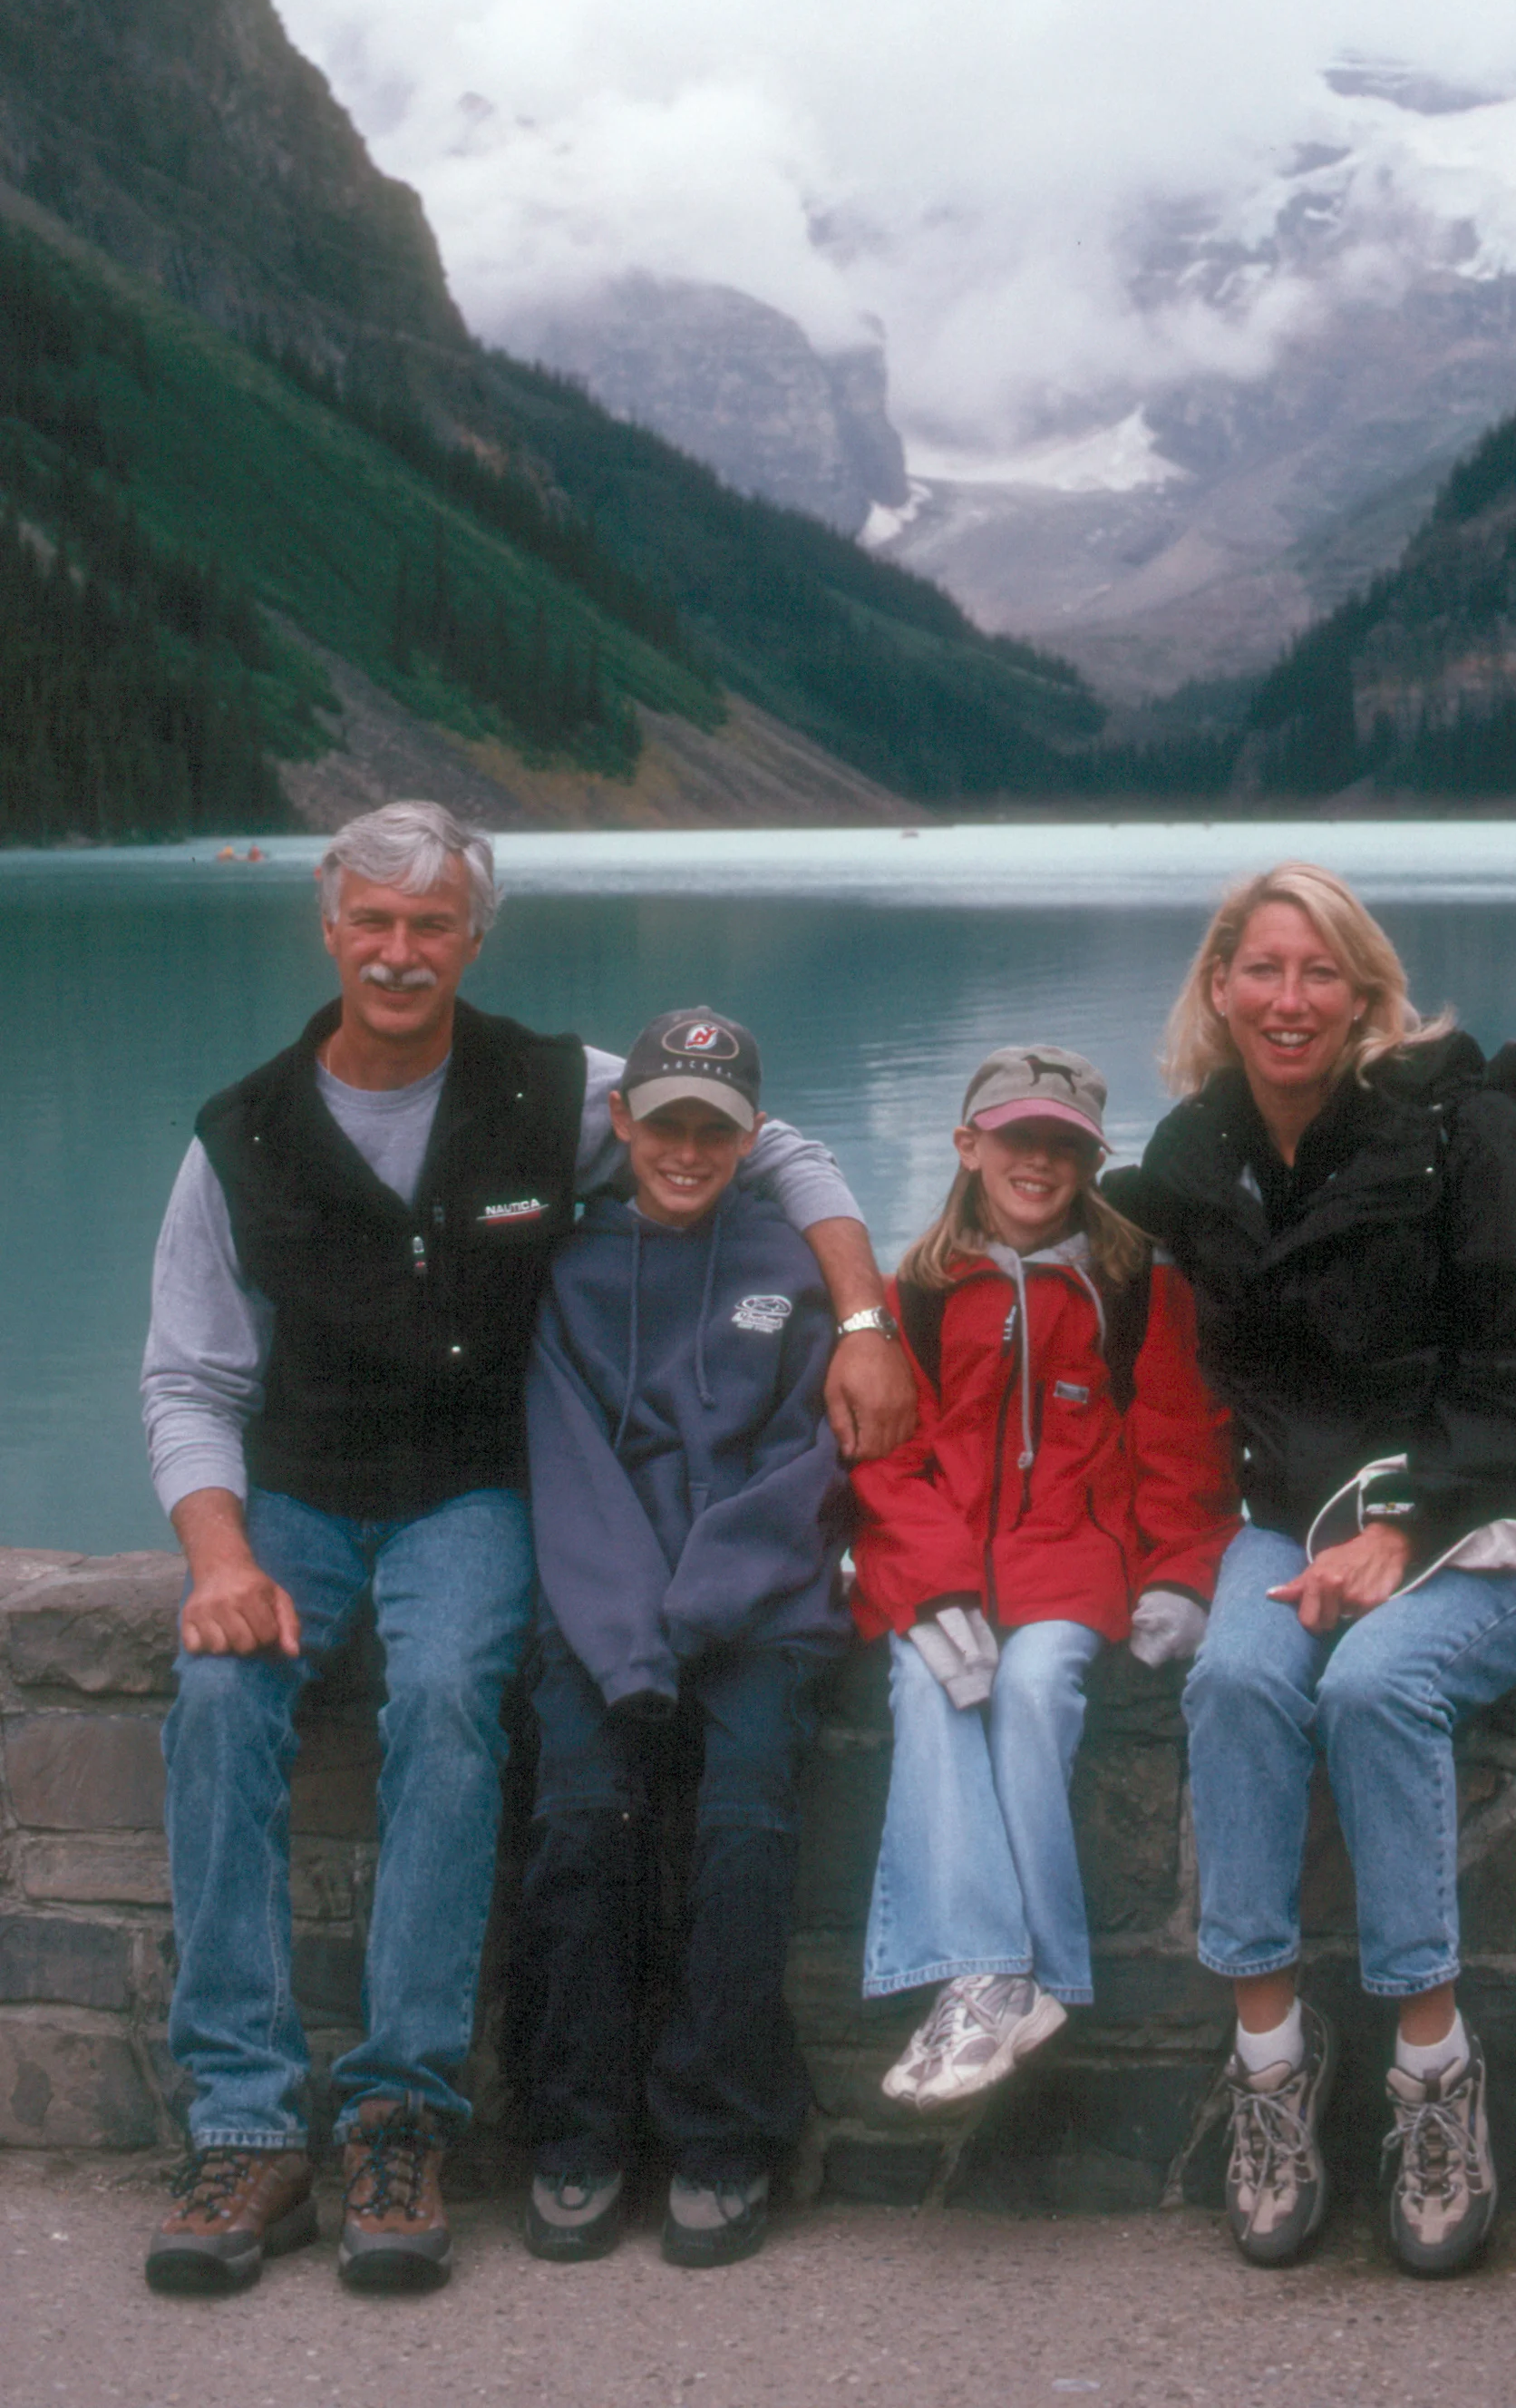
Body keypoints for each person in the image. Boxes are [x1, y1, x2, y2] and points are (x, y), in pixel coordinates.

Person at [141, 803, 913, 2296]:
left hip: (470, 1495)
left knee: (446, 1700)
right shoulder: (237, 1134)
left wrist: (866, 1320)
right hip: (293, 1494)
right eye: (373, 919)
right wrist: (219, 1556)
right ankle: (244, 2127)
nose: (400, 951)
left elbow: (779, 1143)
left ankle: (398, 2114)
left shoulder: (559, 1088)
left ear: (474, 941)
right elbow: (189, 1381)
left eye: (432, 926)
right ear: (329, 928)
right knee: (219, 1702)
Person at [1103, 863, 1516, 2276]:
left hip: (1505, 1514)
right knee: (1240, 1678)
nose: (1290, 999)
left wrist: (1413, 1527)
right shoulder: (1199, 1154)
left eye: (1322, 972)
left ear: (1366, 996)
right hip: (1303, 1518)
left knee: (1381, 1686)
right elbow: (1170, 1375)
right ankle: (1269, 2067)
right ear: (1218, 989)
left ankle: (1432, 2076)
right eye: (1261, 969)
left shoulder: (1467, 1135)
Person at [514, 1008, 849, 2269]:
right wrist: (634, 1639)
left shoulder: (799, 1266)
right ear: (623, 1124)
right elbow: (568, 1461)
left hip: (758, 1610)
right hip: (605, 1609)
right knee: (579, 1816)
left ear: (751, 1136)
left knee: (746, 1825)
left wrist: (702, 1607)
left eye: (715, 1127)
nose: (689, 1149)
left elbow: (805, 1460)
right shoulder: (566, 1268)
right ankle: (577, 2131)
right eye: (667, 1125)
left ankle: (723, 2137)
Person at [849, 1048, 1240, 2108]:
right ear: (967, 1146)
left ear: (1088, 1160)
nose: (1037, 1161)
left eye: (1062, 1145)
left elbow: (1181, 1449)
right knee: (926, 1688)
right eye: (1016, 1138)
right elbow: (884, 1463)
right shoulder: (914, 1294)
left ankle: (1022, 1979)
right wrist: (928, 1591)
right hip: (947, 1578)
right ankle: (991, 1977)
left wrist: (1182, 1580)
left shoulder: (1133, 1287)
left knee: (1031, 1690)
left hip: (1076, 1572)